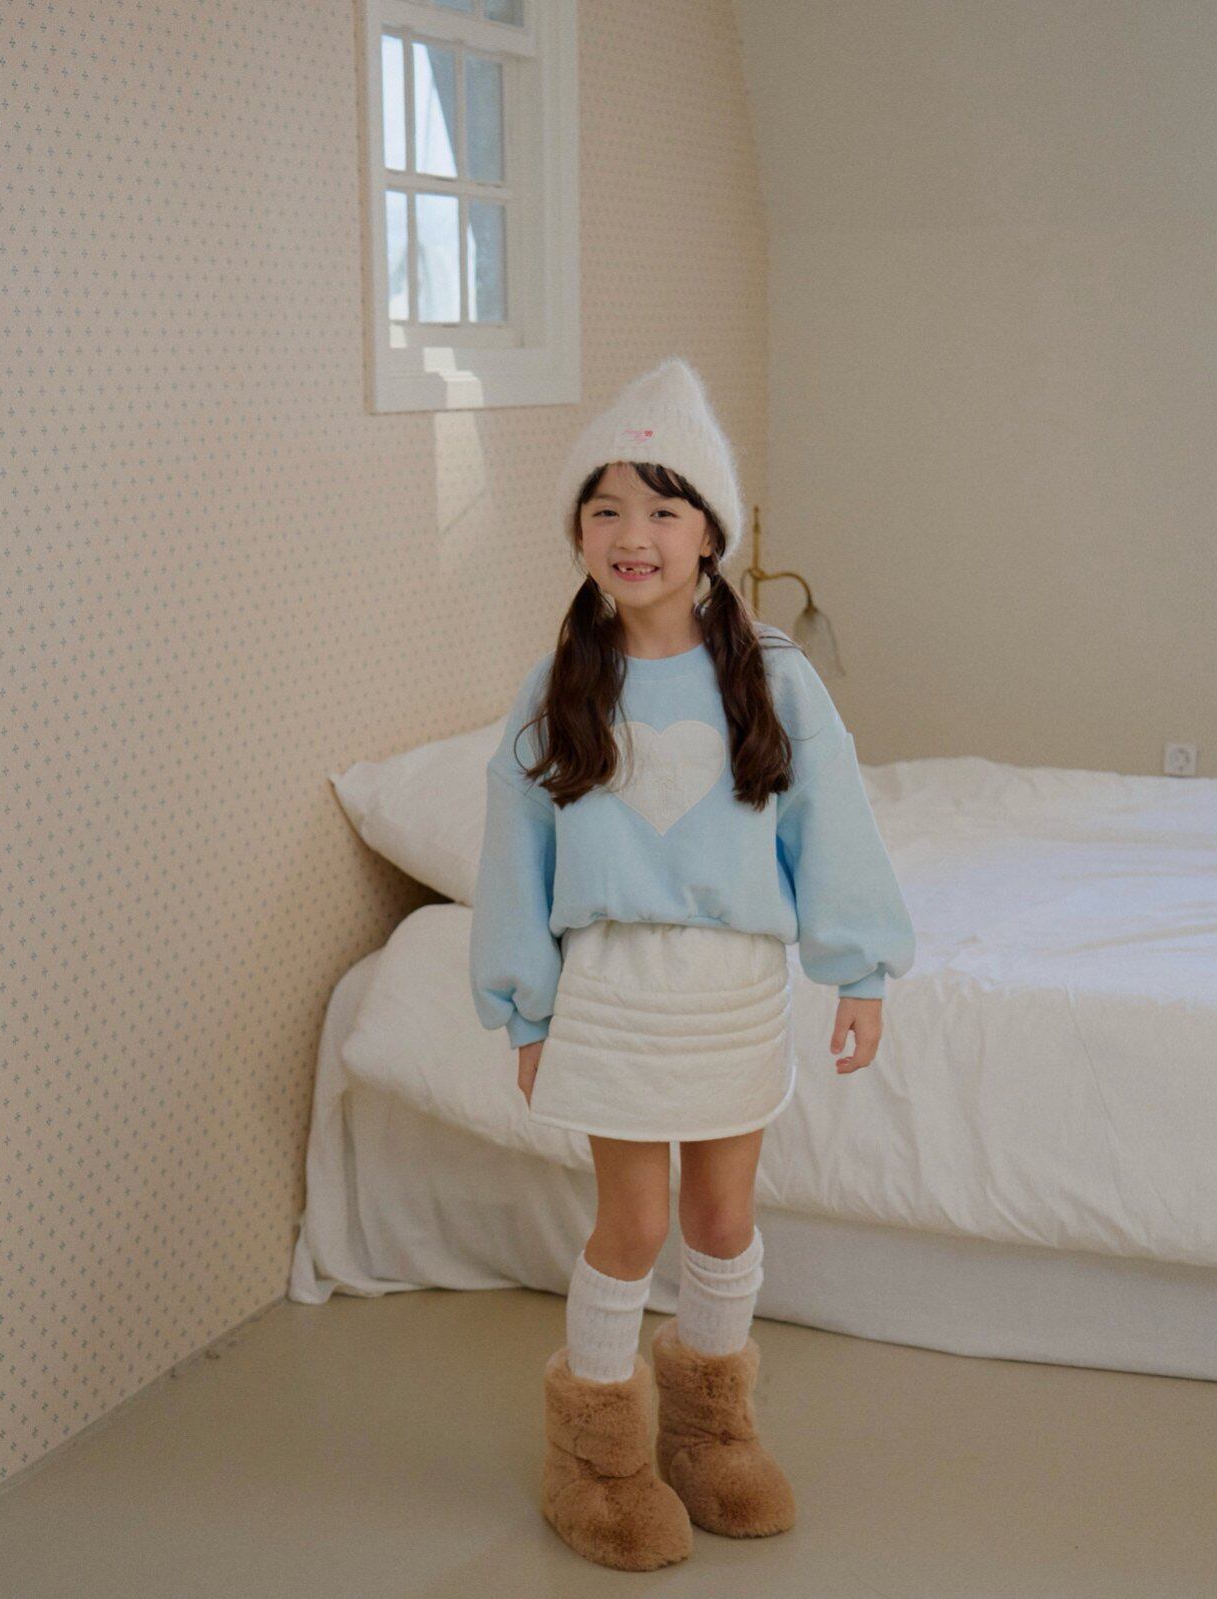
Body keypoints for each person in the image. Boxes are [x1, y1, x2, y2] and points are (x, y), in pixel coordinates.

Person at [468, 356, 916, 1571]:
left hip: (732, 991)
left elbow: (831, 826)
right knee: (631, 1223)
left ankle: (712, 1434)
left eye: (663, 510)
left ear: (710, 532)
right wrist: (525, 1010)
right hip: (614, 994)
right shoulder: (560, 685)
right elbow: (513, 857)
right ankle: (593, 1455)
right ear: (576, 532)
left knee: (720, 1219)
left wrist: (859, 972)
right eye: (605, 509)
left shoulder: (770, 674)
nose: (634, 536)